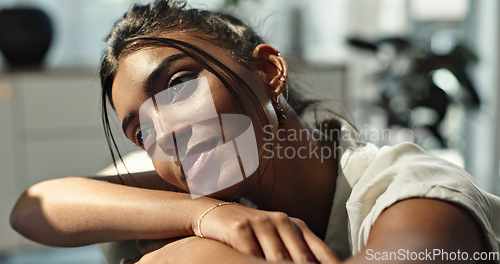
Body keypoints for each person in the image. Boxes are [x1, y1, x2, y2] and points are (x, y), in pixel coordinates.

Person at [10, 0, 500, 263]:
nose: (166, 133)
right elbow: (35, 207)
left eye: (179, 85)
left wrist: (189, 255)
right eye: (140, 132)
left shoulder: (419, 196)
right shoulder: (210, 185)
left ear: (268, 72)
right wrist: (205, 215)